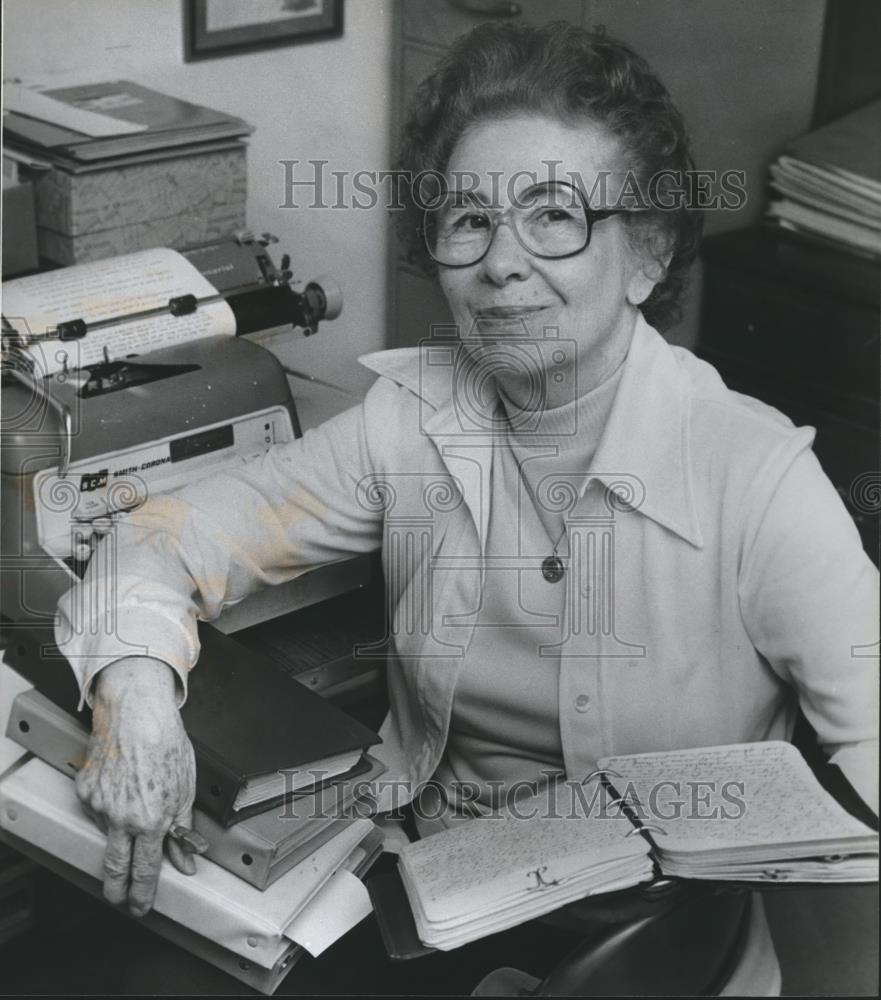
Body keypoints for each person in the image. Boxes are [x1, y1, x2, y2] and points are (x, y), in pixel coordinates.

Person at [55, 19, 877, 984]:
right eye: (467, 220)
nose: (501, 263)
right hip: (432, 907)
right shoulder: (407, 423)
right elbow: (170, 536)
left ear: (646, 252)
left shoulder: (756, 473)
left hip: (665, 947)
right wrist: (137, 694)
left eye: (554, 214)